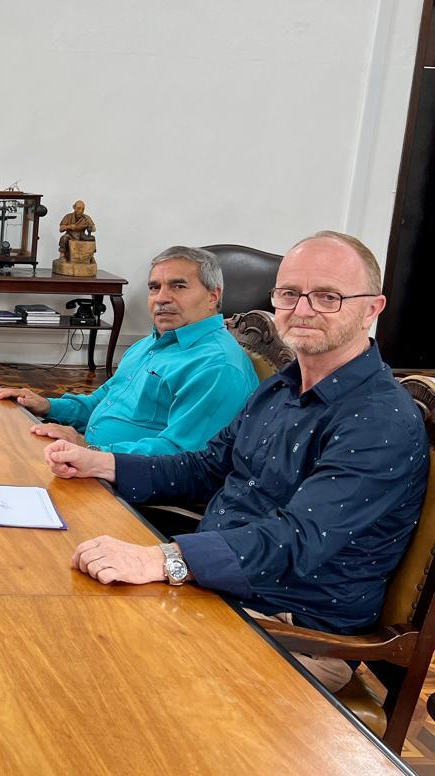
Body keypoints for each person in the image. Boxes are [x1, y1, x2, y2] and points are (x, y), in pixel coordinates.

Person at [44, 231, 428, 690]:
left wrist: (164, 560)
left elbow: (298, 537)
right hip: (221, 593)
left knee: (92, 676)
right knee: (57, 625)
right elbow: (207, 467)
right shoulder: (282, 387)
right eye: (289, 294)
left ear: (372, 309)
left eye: (328, 296)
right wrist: (104, 464)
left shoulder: (379, 420)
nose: (302, 310)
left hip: (292, 631)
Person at [0, 246, 257, 454]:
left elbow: (183, 456)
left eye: (178, 286)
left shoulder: (217, 366)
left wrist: (89, 450)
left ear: (213, 296)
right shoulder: (150, 345)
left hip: (129, 488)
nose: (161, 298)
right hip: (94, 459)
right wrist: (47, 405)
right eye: (155, 287)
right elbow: (100, 403)